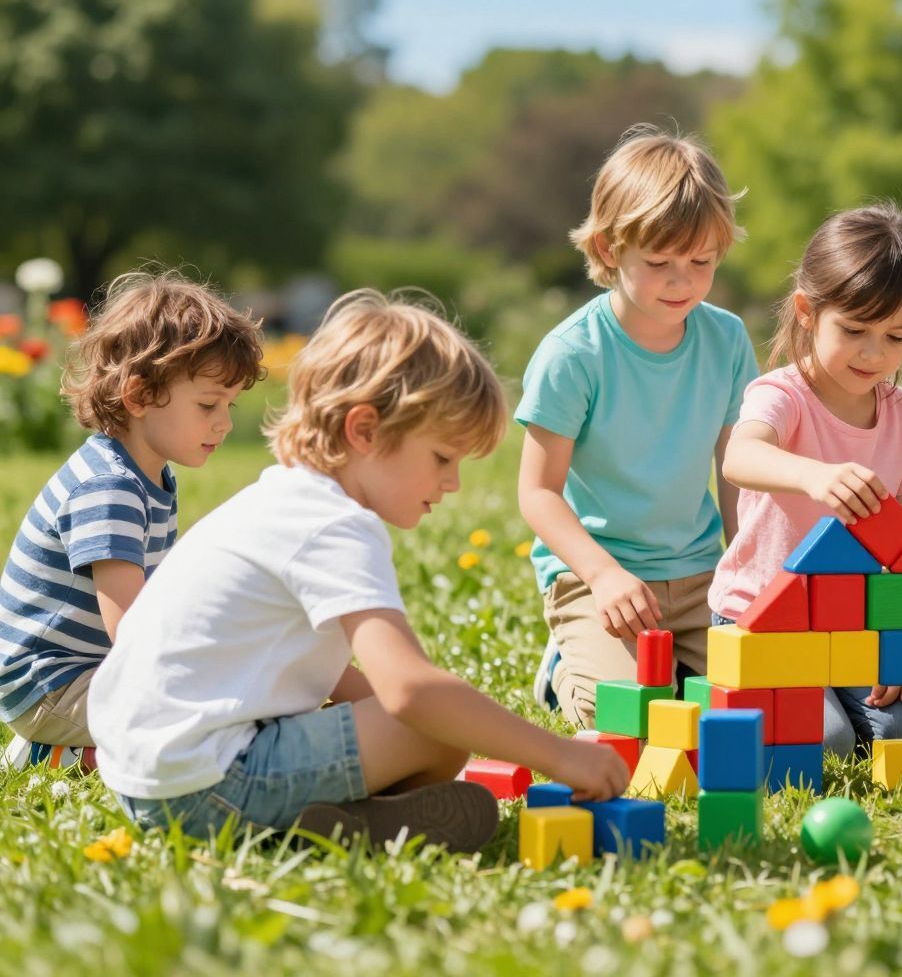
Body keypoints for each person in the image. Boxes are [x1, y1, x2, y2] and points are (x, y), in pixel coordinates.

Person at [91, 290, 628, 845]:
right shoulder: (333, 524)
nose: (452, 483)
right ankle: (324, 823)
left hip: (145, 780)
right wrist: (559, 755)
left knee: (438, 721)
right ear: (365, 431)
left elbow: (321, 675)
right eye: (442, 458)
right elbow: (411, 692)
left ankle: (343, 822)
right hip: (206, 784)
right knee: (437, 728)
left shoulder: (282, 500)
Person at [517, 126, 756, 726]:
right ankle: (564, 668)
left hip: (701, 576)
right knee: (627, 718)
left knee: (751, 707)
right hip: (599, 575)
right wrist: (602, 576)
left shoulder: (726, 339)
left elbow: (737, 471)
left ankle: (673, 664)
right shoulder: (572, 353)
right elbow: (538, 492)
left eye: (701, 261)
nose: (682, 280)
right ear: (607, 249)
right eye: (659, 262)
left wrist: (746, 568)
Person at [1, 270, 263, 768]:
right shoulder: (109, 488)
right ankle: (56, 754)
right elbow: (133, 631)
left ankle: (80, 747)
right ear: (139, 396)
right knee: (207, 726)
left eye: (230, 405)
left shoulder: (147, 474)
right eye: (208, 404)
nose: (225, 422)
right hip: (49, 687)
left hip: (81, 673)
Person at [711, 204, 902, 755]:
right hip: (761, 616)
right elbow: (739, 455)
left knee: (896, 732)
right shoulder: (781, 395)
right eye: (854, 330)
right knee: (826, 741)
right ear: (807, 312)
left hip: (851, 621)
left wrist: (899, 638)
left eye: (896, 337)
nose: (874, 353)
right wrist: (813, 476)